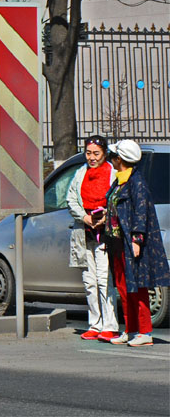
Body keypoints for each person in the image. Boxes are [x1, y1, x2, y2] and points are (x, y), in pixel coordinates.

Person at [103, 139, 170, 347]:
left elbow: (141, 212)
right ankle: (130, 330)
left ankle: (145, 332)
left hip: (130, 242)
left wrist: (137, 239)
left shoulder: (136, 182)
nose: (111, 160)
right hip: (117, 242)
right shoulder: (120, 180)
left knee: (139, 287)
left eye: (113, 157)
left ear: (120, 159)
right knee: (123, 288)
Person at [66, 136, 119, 341]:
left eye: (96, 153)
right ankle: (94, 324)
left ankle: (110, 324)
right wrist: (85, 217)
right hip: (84, 231)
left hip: (105, 233)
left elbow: (116, 197)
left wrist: (105, 215)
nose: (92, 157)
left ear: (104, 153)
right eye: (88, 153)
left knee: (104, 279)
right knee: (89, 280)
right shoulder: (80, 174)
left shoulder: (112, 173)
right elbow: (71, 198)